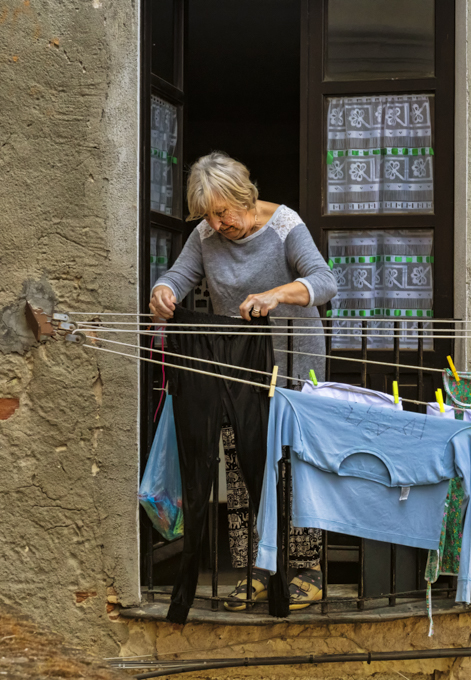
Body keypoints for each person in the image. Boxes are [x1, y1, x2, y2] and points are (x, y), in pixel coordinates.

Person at [150, 151, 334, 611]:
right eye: (208, 216)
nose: (217, 224)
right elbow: (179, 274)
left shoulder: (285, 225)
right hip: (238, 366)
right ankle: (256, 569)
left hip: (293, 363)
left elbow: (324, 281)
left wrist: (275, 295)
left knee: (292, 466)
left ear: (244, 196)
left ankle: (306, 571)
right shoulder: (206, 234)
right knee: (239, 464)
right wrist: (163, 290)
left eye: (222, 212)